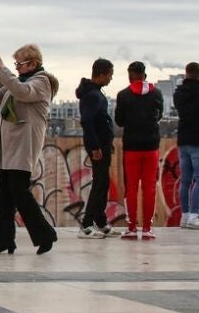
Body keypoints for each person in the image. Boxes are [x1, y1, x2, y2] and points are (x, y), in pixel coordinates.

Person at [0, 44, 59, 256]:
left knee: (19, 193)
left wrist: (3, 71)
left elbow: (22, 93)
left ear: (33, 63)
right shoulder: (20, 81)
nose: (16, 68)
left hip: (22, 147)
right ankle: (4, 240)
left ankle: (45, 234)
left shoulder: (40, 82)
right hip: (7, 148)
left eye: (19, 64)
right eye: (14, 64)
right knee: (5, 195)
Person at [114, 61, 164, 240]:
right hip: (151, 147)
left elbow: (119, 121)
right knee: (150, 187)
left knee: (132, 188)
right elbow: (160, 115)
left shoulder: (123, 95)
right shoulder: (157, 93)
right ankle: (148, 228)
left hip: (132, 147)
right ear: (145, 75)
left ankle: (132, 227)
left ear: (130, 75)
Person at [75, 58, 117, 238]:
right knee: (99, 184)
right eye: (109, 75)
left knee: (103, 183)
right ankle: (86, 225)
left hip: (102, 145)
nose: (110, 79)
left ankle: (100, 221)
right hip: (97, 146)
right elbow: (87, 121)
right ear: (101, 74)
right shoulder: (93, 95)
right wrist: (95, 147)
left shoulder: (94, 93)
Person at [174, 62, 199, 229]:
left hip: (183, 140)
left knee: (185, 180)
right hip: (197, 140)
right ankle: (195, 215)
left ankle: (184, 216)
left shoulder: (178, 93)